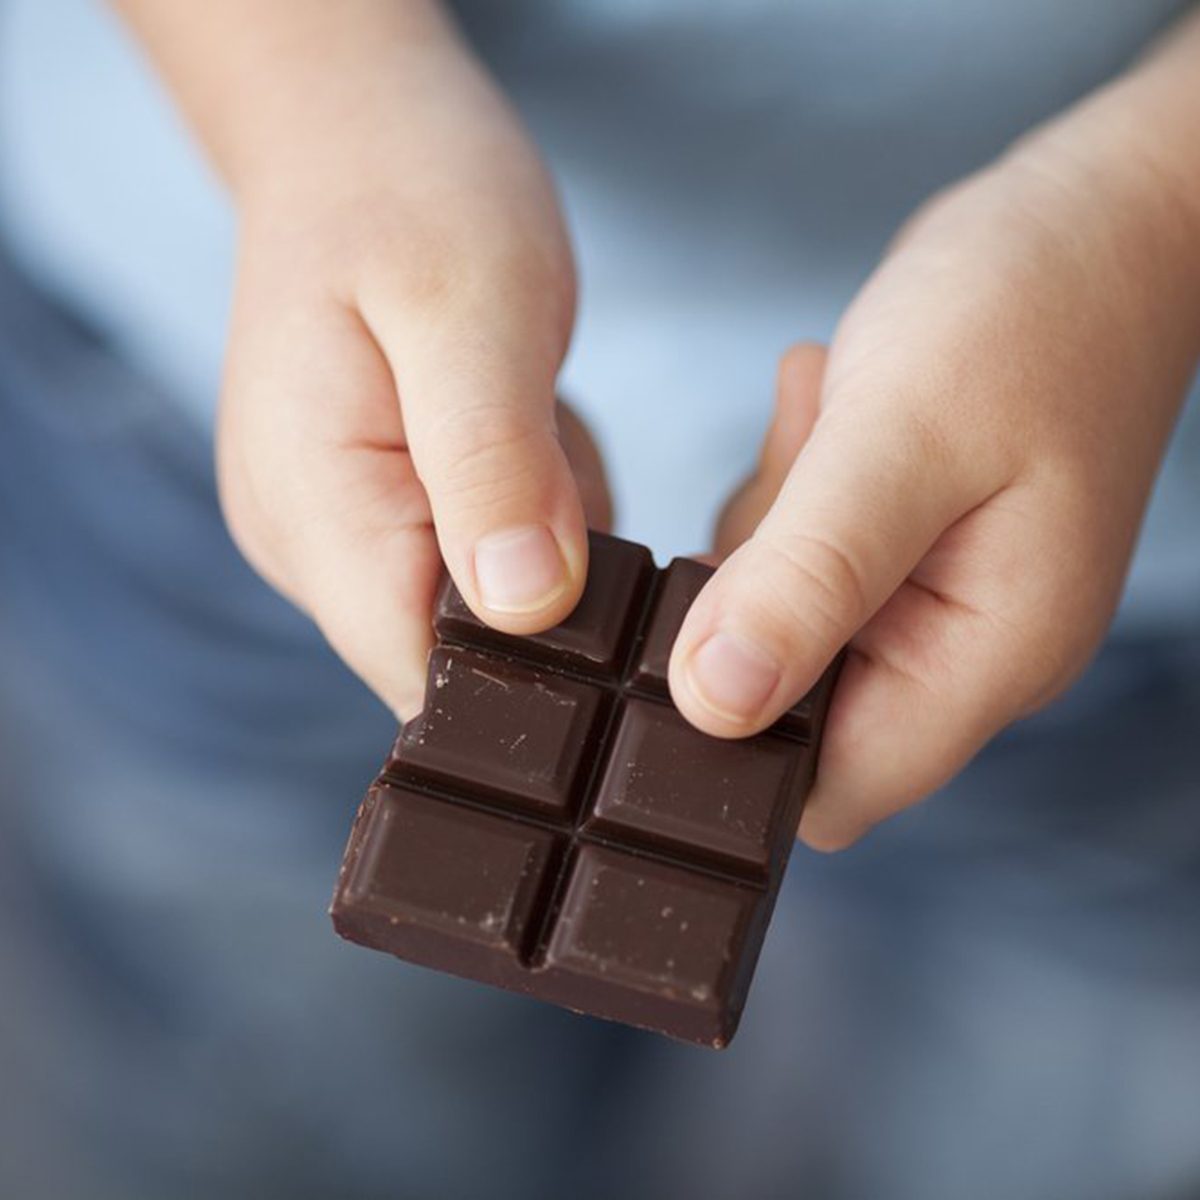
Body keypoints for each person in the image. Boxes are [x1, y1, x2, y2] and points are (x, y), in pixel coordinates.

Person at [0, 1, 1197, 1197]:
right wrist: (309, 90)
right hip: (250, 375)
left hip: (1118, 542)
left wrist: (1158, 216)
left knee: (1062, 1087)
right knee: (284, 1063)